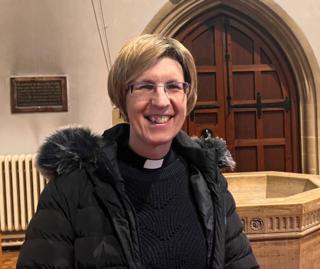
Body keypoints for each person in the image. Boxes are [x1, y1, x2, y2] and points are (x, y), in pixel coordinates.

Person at [17, 35, 259, 269]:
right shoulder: (72, 188)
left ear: (187, 96)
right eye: (145, 86)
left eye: (174, 86)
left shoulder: (208, 181)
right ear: (123, 97)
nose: (162, 101)